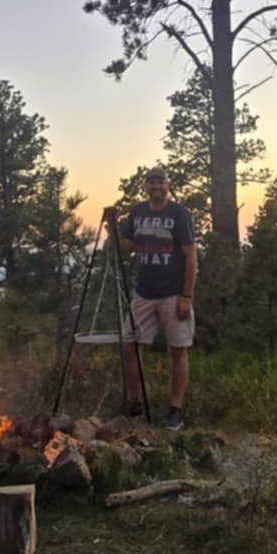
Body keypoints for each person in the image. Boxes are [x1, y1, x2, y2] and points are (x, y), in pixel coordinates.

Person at [103, 166, 197, 429]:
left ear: (168, 184)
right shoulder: (138, 212)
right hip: (143, 292)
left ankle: (175, 409)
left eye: (160, 181)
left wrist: (186, 296)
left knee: (178, 349)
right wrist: (113, 229)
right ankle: (135, 401)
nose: (156, 186)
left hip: (173, 293)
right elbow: (126, 247)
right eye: (151, 182)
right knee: (129, 345)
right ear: (145, 186)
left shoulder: (179, 213)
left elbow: (190, 255)